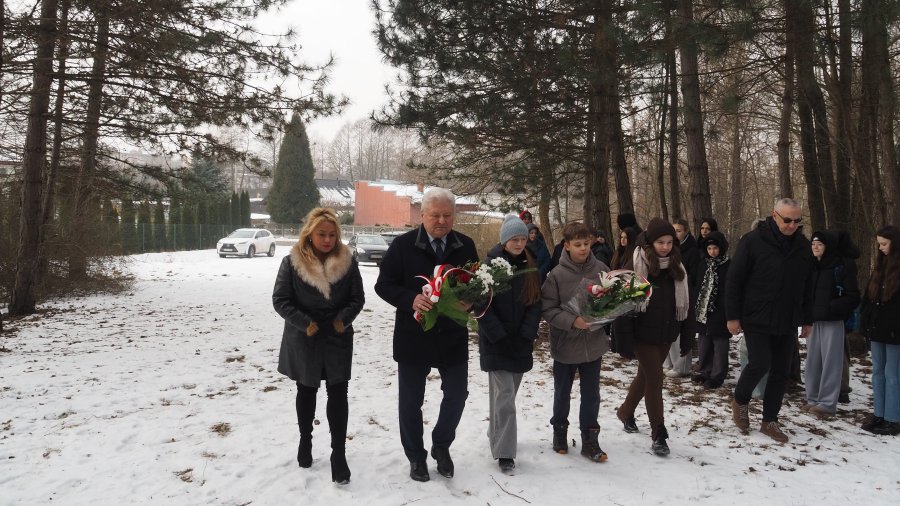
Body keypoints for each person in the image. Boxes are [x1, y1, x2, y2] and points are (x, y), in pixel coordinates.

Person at [374, 188, 479, 481]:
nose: (442, 220)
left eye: (447, 215)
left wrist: (470, 301)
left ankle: (441, 446)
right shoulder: (403, 245)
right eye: (435, 215)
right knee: (410, 402)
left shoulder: (465, 246)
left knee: (457, 395)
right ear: (422, 215)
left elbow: (477, 286)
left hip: (452, 336)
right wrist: (410, 299)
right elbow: (383, 284)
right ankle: (416, 457)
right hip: (413, 336)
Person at [272, 207, 365, 485]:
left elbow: (357, 298)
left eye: (332, 235)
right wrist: (305, 322)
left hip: (337, 336)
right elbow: (280, 299)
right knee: (306, 389)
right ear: (309, 234)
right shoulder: (292, 262)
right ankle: (305, 441)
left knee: (338, 392)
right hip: (305, 337)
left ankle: (339, 453)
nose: (327, 240)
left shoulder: (348, 261)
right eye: (321, 234)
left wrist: (342, 319)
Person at [726, 198, 812, 444]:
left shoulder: (803, 246)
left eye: (797, 221)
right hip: (757, 315)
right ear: (774, 216)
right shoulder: (753, 241)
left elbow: (808, 285)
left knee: (781, 371)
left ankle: (769, 420)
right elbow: (735, 280)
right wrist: (732, 316)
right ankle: (741, 400)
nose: (792, 225)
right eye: (787, 220)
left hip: (787, 318)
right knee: (760, 363)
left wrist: (808, 319)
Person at [613, 218, 693, 456]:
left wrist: (688, 336)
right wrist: (623, 340)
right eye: (660, 242)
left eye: (669, 242)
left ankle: (625, 412)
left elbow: (687, 303)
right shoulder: (636, 264)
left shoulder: (678, 266)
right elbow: (623, 306)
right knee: (656, 379)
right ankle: (659, 433)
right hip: (642, 335)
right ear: (650, 242)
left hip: (666, 333)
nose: (665, 247)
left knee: (646, 376)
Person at [476, 215, 543, 473]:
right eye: (514, 239)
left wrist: (527, 333)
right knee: (504, 396)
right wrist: (499, 336)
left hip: (521, 340)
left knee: (507, 394)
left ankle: (496, 431)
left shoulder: (530, 263)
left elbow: (535, 301)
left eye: (523, 238)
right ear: (504, 240)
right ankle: (505, 453)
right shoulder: (490, 265)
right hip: (497, 341)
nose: (519, 243)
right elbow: (482, 304)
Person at [541, 221, 610, 463]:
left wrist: (606, 314)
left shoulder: (601, 268)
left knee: (592, 394)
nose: (583, 249)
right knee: (562, 392)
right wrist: (572, 321)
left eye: (587, 243)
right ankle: (559, 432)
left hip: (593, 344)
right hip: (565, 345)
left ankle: (590, 439)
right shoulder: (556, 275)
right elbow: (547, 309)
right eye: (578, 244)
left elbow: (611, 299)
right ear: (566, 246)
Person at [802, 230, 860, 419]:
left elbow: (853, 296)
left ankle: (827, 403)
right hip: (813, 321)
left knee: (831, 363)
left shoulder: (840, 266)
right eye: (813, 244)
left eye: (819, 244)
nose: (815, 247)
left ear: (828, 246)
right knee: (813, 361)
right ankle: (812, 398)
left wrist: (831, 307)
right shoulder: (811, 265)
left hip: (833, 321)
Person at [859, 225, 900, 436]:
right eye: (879, 244)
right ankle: (879, 414)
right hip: (877, 330)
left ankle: (894, 418)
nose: (881, 248)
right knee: (877, 372)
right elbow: (869, 297)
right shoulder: (880, 267)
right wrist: (864, 320)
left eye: (884, 244)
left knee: (893, 374)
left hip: (895, 333)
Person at [691, 231, 731, 389]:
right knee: (704, 342)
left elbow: (730, 289)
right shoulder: (703, 264)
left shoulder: (728, 265)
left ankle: (717, 375)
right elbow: (698, 285)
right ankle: (705, 371)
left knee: (720, 343)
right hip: (703, 310)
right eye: (709, 249)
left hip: (721, 310)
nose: (712, 252)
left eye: (715, 248)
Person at [664, 218, 700, 379]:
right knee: (670, 330)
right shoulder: (671, 248)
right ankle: (670, 363)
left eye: (679, 230)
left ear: (686, 231)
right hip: (671, 293)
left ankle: (682, 366)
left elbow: (694, 275)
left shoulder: (692, 249)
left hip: (685, 294)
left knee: (682, 331)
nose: (676, 233)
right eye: (674, 230)